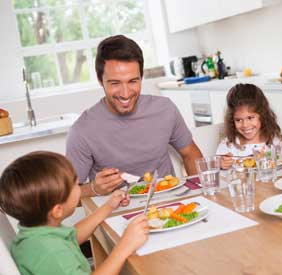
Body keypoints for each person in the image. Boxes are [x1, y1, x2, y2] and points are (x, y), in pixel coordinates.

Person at [66, 35, 202, 197]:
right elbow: (67, 197)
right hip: (116, 214)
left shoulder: (164, 109)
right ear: (100, 80)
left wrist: (201, 194)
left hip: (168, 204)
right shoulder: (82, 130)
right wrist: (94, 188)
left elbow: (190, 154)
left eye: (132, 81)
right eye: (115, 83)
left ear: (141, 76)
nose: (125, 93)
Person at [0, 151, 149, 275]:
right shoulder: (51, 253)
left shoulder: (37, 234)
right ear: (58, 211)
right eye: (76, 184)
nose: (80, 187)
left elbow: (72, 236)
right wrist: (124, 247)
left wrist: (108, 206)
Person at [216, 83, 282, 169]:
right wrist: (220, 164)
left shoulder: (273, 139)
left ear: (262, 115)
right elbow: (215, 165)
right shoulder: (229, 145)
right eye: (238, 120)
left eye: (250, 118)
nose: (245, 125)